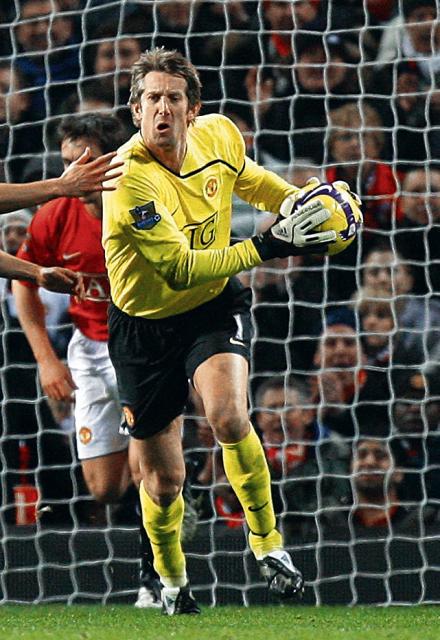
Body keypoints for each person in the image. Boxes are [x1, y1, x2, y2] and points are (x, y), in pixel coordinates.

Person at [101, 47, 354, 615]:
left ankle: (269, 546)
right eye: (151, 99)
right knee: (164, 481)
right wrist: (269, 244)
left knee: (229, 415)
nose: (162, 109)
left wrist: (303, 204)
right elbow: (180, 267)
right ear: (135, 110)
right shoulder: (126, 179)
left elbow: (254, 183)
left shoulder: (219, 135)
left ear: (193, 109)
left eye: (173, 98)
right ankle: (171, 582)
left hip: (212, 306)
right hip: (144, 327)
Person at [12, 114, 161, 609]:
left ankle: (154, 577)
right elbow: (24, 283)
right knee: (104, 488)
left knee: (147, 472)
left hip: (146, 345)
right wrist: (46, 361)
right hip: (90, 352)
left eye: (83, 160)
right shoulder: (56, 214)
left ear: (113, 160)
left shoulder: (145, 204)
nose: (72, 171)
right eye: (65, 162)